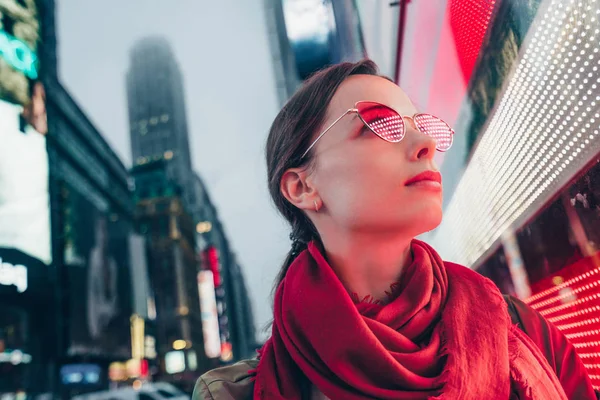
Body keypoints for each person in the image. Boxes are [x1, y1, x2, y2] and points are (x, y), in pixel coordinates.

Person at [193, 60, 597, 399]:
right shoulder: (231, 393)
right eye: (379, 125)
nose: (425, 143)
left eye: (421, 124)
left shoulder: (524, 330)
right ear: (302, 187)